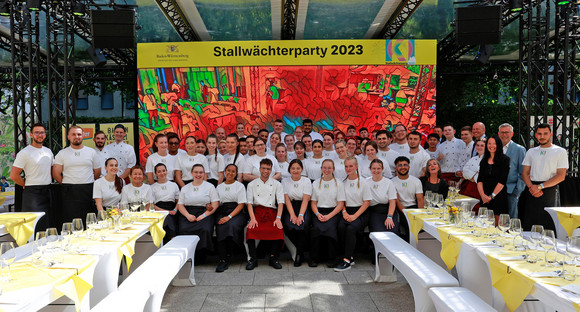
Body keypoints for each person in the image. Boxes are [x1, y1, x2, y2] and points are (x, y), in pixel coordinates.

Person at [519, 124, 568, 231]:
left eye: (545, 133)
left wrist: (540, 187)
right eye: (540, 134)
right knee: (529, 224)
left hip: (550, 190)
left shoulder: (560, 151)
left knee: (548, 225)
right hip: (531, 190)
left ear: (550, 134)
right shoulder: (531, 151)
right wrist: (532, 187)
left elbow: (561, 176)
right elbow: (524, 174)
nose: (542, 136)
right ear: (536, 135)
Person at [53, 126, 101, 225]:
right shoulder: (62, 153)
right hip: (69, 191)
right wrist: (67, 183)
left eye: (79, 134)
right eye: (73, 134)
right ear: (68, 137)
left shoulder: (91, 152)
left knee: (88, 220)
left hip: (88, 190)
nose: (77, 137)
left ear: (83, 136)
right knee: (70, 219)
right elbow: (55, 173)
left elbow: (97, 172)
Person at [11, 123, 54, 231]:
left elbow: (52, 170)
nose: (40, 135)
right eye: (37, 132)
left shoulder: (48, 151)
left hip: (48, 191)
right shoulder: (24, 153)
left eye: (42, 132)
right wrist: (25, 184)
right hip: (33, 194)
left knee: (47, 224)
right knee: (34, 226)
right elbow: (14, 175)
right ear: (31, 135)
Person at [245, 158, 285, 270]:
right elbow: (249, 203)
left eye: (268, 169)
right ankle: (253, 258)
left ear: (272, 170)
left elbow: (281, 203)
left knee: (277, 230)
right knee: (251, 230)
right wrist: (252, 219)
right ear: (259, 169)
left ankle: (273, 257)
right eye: (263, 168)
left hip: (272, 212)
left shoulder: (277, 184)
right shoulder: (252, 184)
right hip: (257, 212)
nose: (266, 171)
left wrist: (278, 218)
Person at [334, 156, 371, 271]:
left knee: (350, 228)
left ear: (356, 166)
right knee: (340, 226)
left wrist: (355, 216)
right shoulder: (343, 183)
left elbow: (367, 202)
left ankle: (346, 261)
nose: (348, 168)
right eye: (346, 166)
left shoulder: (364, 182)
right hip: (346, 210)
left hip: (361, 212)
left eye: (351, 166)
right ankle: (350, 256)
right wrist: (344, 212)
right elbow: (341, 201)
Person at [310, 159, 345, 267]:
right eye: (324, 167)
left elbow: (340, 204)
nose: (327, 170)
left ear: (333, 169)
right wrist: (317, 214)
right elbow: (313, 203)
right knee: (316, 229)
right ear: (321, 169)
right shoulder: (315, 183)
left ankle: (332, 258)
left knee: (330, 229)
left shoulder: (339, 183)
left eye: (329, 168)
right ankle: (315, 258)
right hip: (319, 212)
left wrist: (329, 216)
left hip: (333, 212)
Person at [177, 164, 219, 254]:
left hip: (205, 212)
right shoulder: (185, 188)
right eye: (196, 172)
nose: (198, 174)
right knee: (183, 228)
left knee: (205, 229)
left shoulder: (210, 186)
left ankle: (201, 254)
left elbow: (215, 204)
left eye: (201, 172)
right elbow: (180, 205)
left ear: (204, 174)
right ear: (191, 173)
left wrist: (203, 216)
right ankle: (187, 253)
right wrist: (188, 216)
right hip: (188, 212)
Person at [215, 164, 247, 272]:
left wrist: (229, 217)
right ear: (224, 171)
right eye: (228, 170)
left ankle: (229, 255)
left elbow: (241, 204)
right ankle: (222, 259)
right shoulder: (219, 187)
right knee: (220, 225)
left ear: (236, 174)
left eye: (233, 171)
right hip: (223, 211)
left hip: (237, 212)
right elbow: (217, 203)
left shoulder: (240, 186)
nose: (230, 173)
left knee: (230, 225)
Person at [282, 159, 313, 267]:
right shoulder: (285, 181)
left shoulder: (306, 181)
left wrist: (300, 215)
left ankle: (299, 255)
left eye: (298, 168)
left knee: (302, 225)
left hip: (303, 207)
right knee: (288, 225)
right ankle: (300, 251)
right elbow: (286, 199)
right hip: (290, 207)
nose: (295, 171)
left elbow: (306, 199)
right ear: (289, 169)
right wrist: (292, 215)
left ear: (302, 169)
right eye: (293, 168)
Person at [477, 135, 510, 221]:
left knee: (499, 225)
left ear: (498, 145)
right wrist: (483, 196)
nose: (491, 146)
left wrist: (491, 196)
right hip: (484, 197)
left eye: (494, 143)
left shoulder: (505, 160)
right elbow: (479, 180)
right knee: (485, 224)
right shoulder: (483, 161)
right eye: (489, 143)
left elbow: (502, 181)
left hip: (498, 196)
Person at [392, 156, 424, 242]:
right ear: (396, 168)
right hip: (400, 209)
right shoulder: (392, 182)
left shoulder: (416, 181)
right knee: (409, 224)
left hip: (414, 207)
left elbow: (420, 199)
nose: (403, 167)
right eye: (400, 165)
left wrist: (421, 214)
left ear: (409, 167)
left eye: (405, 165)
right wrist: (406, 213)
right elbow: (397, 201)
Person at [498, 123, 526, 218]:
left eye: (507, 132)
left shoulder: (519, 149)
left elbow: (523, 172)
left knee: (511, 219)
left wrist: (517, 192)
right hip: (495, 190)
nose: (504, 134)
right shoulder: (494, 148)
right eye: (502, 132)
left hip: (511, 191)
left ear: (512, 134)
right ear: (498, 134)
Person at [367, 159, 398, 233]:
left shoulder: (389, 182)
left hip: (387, 210)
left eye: (378, 168)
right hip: (373, 211)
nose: (376, 171)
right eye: (374, 168)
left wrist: (389, 217)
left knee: (392, 231)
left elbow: (392, 201)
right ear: (370, 169)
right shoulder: (366, 182)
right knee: (378, 233)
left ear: (382, 169)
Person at [151, 163, 180, 243]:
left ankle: (171, 240)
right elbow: (152, 204)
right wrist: (165, 211)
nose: (162, 173)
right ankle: (172, 238)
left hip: (173, 209)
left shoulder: (174, 185)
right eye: (159, 171)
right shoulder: (152, 187)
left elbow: (179, 201)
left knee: (170, 218)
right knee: (168, 218)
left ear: (167, 171)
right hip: (159, 210)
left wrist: (175, 210)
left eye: (164, 170)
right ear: (156, 174)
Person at [459, 138, 485, 209]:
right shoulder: (473, 159)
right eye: (478, 145)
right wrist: (474, 175)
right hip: (470, 188)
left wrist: (473, 177)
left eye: (482, 146)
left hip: (481, 189)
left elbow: (484, 175)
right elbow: (464, 171)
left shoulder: (489, 160)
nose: (479, 147)